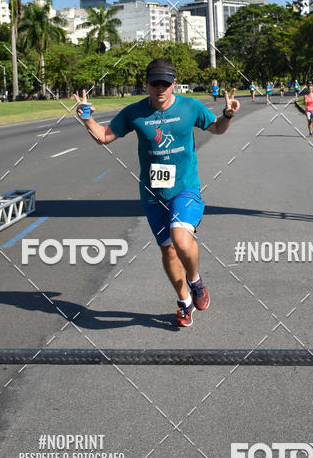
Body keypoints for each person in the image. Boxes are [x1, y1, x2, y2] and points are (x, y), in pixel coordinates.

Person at [74, 59, 240, 327]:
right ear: (146, 84)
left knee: (181, 239)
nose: (161, 88)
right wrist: (87, 118)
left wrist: (229, 114)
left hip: (185, 188)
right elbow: (104, 136)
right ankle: (184, 301)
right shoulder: (134, 113)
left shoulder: (191, 107)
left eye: (166, 83)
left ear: (174, 83)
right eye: (155, 83)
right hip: (153, 195)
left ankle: (196, 281)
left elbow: (217, 128)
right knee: (169, 252)